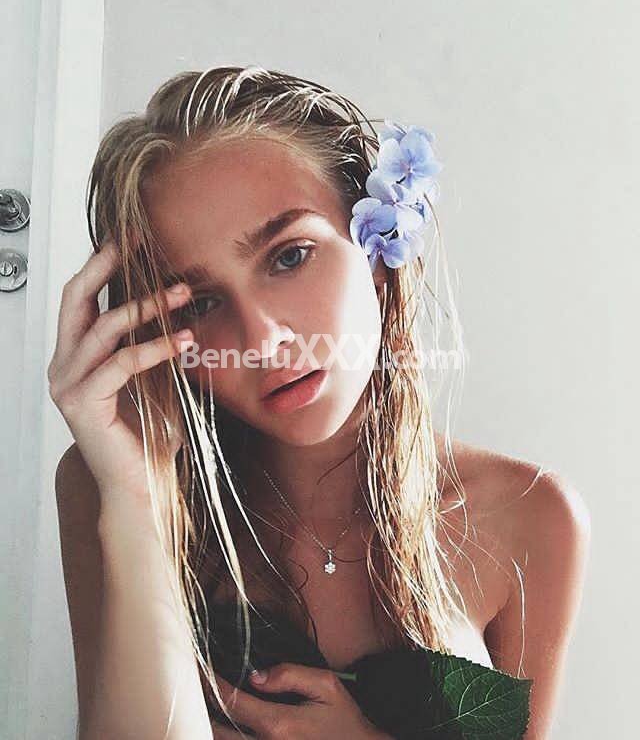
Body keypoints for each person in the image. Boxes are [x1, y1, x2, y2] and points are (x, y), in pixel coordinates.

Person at [50, 65, 591, 740]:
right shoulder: (106, 485)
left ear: (376, 249)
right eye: (202, 302)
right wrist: (136, 502)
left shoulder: (531, 515)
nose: (262, 341)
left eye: (289, 256)